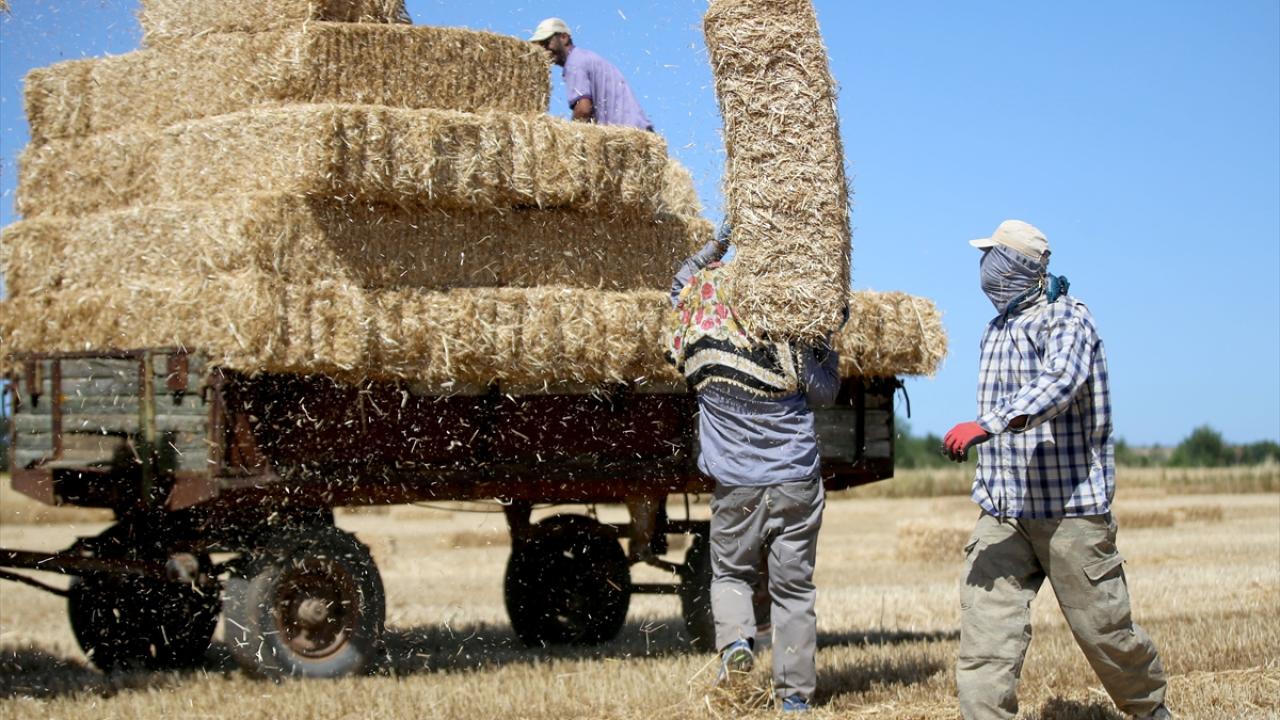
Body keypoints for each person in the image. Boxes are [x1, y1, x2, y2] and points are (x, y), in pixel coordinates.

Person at [942, 219, 1171, 720]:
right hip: (1003, 512)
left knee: (1106, 634)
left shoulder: (1068, 319)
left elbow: (1060, 383)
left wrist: (988, 424)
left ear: (1016, 266)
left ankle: (1151, 711)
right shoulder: (997, 326)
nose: (984, 269)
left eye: (992, 257)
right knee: (985, 640)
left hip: (1070, 511)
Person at [667, 229, 841, 713]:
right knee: (793, 590)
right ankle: (795, 700)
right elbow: (824, 392)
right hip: (795, 480)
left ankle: (739, 644)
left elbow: (679, 280)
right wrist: (828, 344)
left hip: (736, 484)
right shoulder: (785, 320)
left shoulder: (700, 314)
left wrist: (719, 243)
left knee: (729, 576)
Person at [528, 17, 654, 130]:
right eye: (540, 46)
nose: (544, 50)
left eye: (547, 43)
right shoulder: (586, 57)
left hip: (625, 134)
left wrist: (568, 140)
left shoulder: (574, 64)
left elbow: (583, 110)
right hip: (638, 129)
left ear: (564, 37)